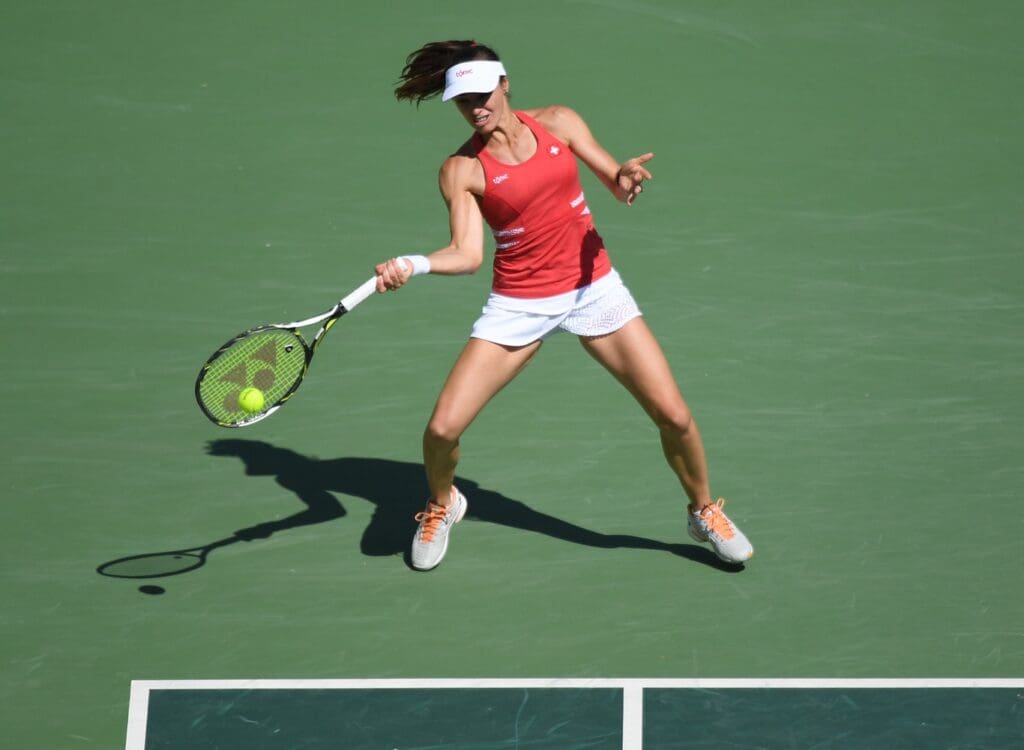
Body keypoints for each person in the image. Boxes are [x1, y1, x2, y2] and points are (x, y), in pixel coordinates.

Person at [374, 40, 753, 570]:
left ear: (505, 84)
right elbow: (465, 254)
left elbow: (616, 186)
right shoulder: (461, 169)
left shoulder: (559, 122)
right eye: (463, 101)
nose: (476, 107)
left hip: (593, 288)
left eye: (483, 94)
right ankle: (443, 504)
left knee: (674, 415)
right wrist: (413, 263)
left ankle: (702, 510)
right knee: (441, 431)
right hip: (520, 303)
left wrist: (625, 179)